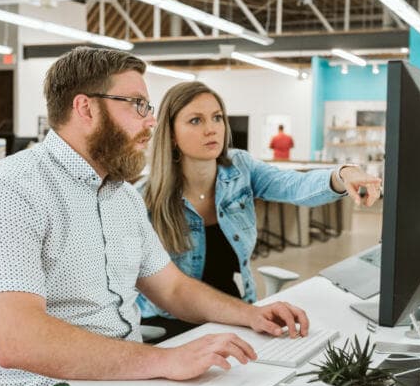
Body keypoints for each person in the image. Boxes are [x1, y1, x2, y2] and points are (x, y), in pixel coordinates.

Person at [0, 47, 309, 386]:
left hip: (124, 380)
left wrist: (250, 314)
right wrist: (165, 360)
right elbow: (19, 340)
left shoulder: (121, 195)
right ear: (85, 108)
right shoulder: (10, 191)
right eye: (138, 105)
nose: (151, 121)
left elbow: (172, 287)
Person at [140, 81, 382, 336]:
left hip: (235, 312)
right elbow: (161, 290)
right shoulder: (144, 199)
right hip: (172, 323)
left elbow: (294, 184)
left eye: (217, 118)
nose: (211, 129)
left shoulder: (240, 168)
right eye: (195, 121)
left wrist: (342, 174)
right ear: (171, 133)